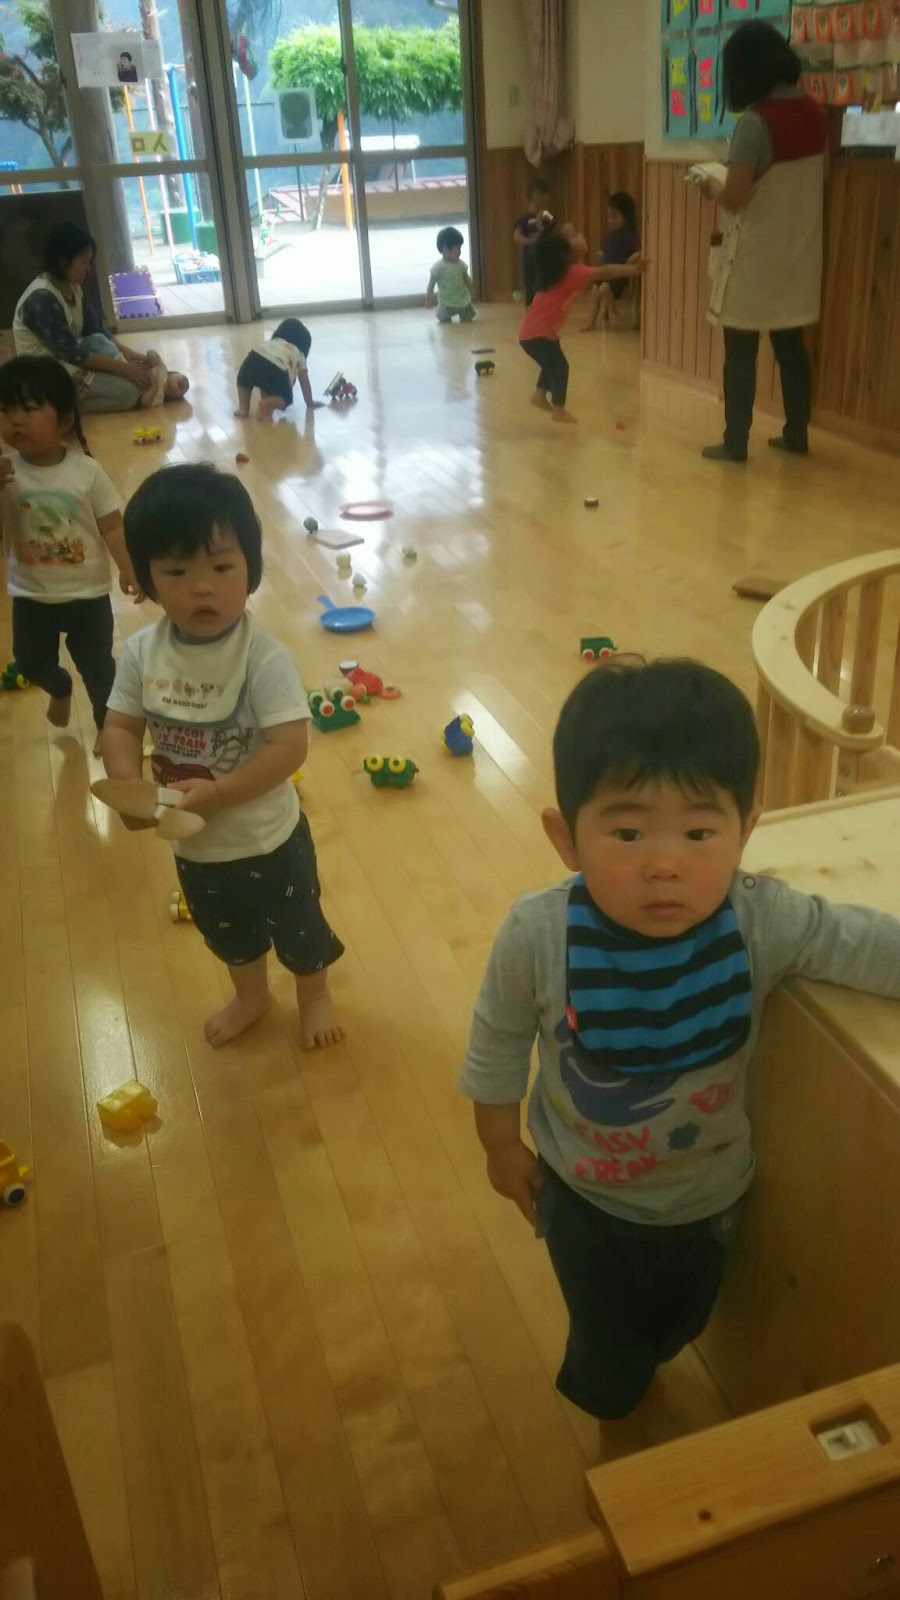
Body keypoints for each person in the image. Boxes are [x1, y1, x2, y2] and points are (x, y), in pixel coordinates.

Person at [458, 657, 900, 1454]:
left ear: (744, 832)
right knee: (608, 1341)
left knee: (686, 1316)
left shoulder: (760, 920)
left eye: (699, 833)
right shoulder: (539, 934)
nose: (665, 863)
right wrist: (498, 1143)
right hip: (583, 1197)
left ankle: (648, 1363)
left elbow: (855, 942)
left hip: (711, 1196)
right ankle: (620, 1430)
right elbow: (497, 1038)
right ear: (565, 837)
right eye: (628, 832)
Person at [102, 463, 344, 1051]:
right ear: (147, 578)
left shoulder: (263, 658)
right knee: (228, 932)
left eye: (221, 567)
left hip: (269, 838)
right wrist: (128, 782)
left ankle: (314, 995)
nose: (201, 587)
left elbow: (290, 747)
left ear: (250, 570)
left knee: (299, 929)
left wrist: (221, 793)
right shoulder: (141, 653)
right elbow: (121, 725)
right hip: (194, 844)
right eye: (176, 572)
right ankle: (251, 994)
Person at [697, 21, 827, 463]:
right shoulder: (816, 113)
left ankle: (735, 441)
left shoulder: (754, 123)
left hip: (756, 255)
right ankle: (796, 432)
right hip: (800, 251)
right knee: (791, 346)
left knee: (741, 350)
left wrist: (709, 186)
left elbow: (734, 196)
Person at [0, 356, 141, 753]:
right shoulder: (5, 473)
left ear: (64, 420)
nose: (15, 421)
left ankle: (107, 727)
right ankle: (59, 686)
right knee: (30, 663)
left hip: (87, 595)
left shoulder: (86, 472)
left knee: (98, 668)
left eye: (29, 409)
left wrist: (129, 568)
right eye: (5, 410)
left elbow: (112, 526)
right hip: (31, 594)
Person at [13, 222, 190, 413]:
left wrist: (128, 354)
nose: (88, 269)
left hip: (69, 360)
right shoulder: (41, 299)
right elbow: (73, 353)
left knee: (98, 341)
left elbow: (95, 329)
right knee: (127, 393)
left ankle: (148, 384)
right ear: (63, 261)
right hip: (46, 373)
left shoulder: (73, 288)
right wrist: (123, 368)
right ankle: (56, 404)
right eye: (84, 262)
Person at [519, 216, 646, 424]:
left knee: (551, 363)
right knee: (560, 366)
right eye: (575, 235)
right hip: (538, 334)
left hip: (535, 333)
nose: (581, 235)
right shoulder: (574, 272)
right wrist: (632, 270)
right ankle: (558, 410)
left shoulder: (561, 273)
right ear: (564, 253)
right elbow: (604, 272)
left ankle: (540, 395)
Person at [234, 318, 321, 421]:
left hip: (254, 357)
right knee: (286, 399)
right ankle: (267, 403)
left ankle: (243, 409)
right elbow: (304, 381)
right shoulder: (299, 354)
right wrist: (310, 402)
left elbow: (263, 372)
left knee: (244, 382)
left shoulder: (271, 342)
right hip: (277, 367)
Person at [582, 191, 642, 331]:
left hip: (619, 274)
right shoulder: (611, 236)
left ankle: (615, 313)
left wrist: (632, 260)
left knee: (604, 288)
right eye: (609, 217)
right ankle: (591, 322)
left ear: (626, 216)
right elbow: (606, 253)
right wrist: (601, 256)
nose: (610, 221)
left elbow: (639, 251)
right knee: (595, 289)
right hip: (607, 272)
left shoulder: (630, 236)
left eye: (614, 217)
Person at [425, 227, 476, 324]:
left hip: (463, 300)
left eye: (460, 248)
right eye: (457, 248)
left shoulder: (461, 265)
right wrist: (429, 298)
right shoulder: (438, 267)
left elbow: (467, 279)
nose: (459, 251)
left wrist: (473, 290)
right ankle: (446, 319)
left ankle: (465, 315)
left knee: (468, 315)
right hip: (446, 302)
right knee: (443, 316)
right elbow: (431, 284)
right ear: (445, 249)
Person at [512, 178, 551, 306]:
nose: (542, 198)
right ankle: (530, 311)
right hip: (530, 259)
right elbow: (516, 236)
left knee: (546, 288)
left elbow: (554, 231)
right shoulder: (523, 218)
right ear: (531, 196)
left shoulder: (547, 215)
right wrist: (530, 241)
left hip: (546, 259)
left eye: (544, 194)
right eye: (539, 194)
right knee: (531, 289)